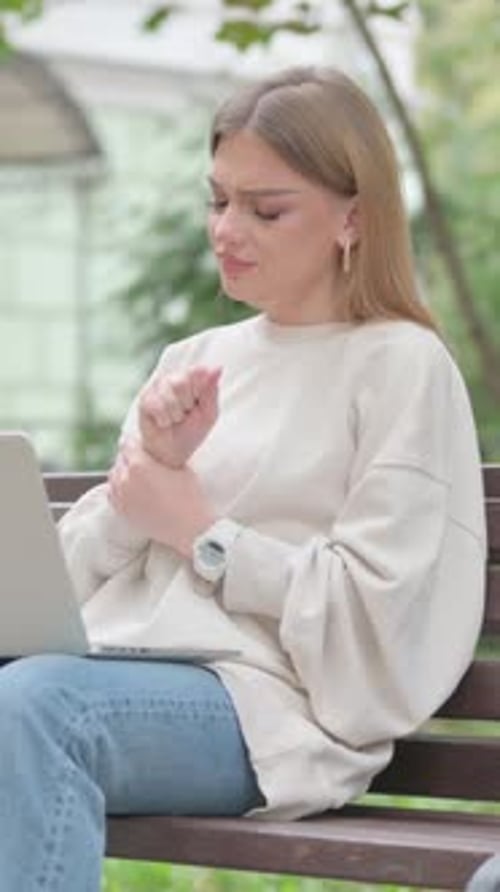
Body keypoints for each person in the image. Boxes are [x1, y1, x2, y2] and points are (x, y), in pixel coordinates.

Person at [0, 66, 486, 891]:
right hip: (122, 667)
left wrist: (203, 533)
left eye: (266, 210)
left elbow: (378, 626)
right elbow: (59, 589)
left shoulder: (401, 366)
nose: (227, 229)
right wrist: (142, 487)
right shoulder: (193, 363)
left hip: (272, 713)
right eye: (218, 200)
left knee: (41, 711)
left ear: (354, 218)